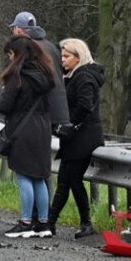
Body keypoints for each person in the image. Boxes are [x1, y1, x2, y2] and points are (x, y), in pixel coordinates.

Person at [0, 33, 60, 237]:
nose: (10, 58)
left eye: (11, 53)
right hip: (42, 128)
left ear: (18, 54)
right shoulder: (47, 75)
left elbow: (5, 105)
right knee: (39, 177)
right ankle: (44, 223)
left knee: (23, 176)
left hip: (22, 129)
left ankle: (26, 221)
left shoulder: (18, 76)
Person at [46, 38, 106, 237]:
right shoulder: (74, 76)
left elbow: (85, 106)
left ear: (78, 57)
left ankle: (79, 222)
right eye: (62, 56)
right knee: (66, 180)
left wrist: (69, 124)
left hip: (84, 137)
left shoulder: (84, 77)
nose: (62, 60)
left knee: (71, 179)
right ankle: (53, 222)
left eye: (66, 56)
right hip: (76, 137)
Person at [13, 10, 70, 132]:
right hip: (58, 113)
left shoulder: (27, 48)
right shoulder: (52, 47)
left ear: (18, 30)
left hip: (37, 114)